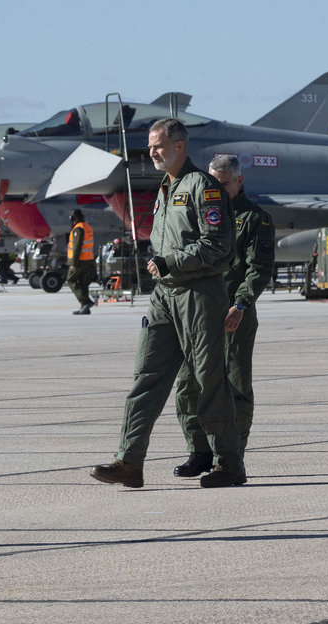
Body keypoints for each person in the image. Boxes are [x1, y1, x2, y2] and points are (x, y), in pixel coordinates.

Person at [90, 118, 246, 490]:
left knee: (208, 381)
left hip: (198, 295)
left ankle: (228, 462)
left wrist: (171, 261)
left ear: (180, 146)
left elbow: (218, 244)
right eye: (150, 145)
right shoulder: (165, 188)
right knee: (146, 377)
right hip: (164, 297)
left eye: (158, 145)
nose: (152, 152)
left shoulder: (202, 187)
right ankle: (129, 462)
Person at [172, 154, 276, 476]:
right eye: (212, 184)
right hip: (200, 313)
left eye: (224, 184)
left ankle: (231, 457)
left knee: (234, 387)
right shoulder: (203, 215)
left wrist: (242, 304)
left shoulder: (255, 219)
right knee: (188, 386)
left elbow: (258, 269)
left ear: (239, 182)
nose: (216, 190)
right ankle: (199, 451)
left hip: (234, 314)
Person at [66, 209, 96, 314]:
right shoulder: (88, 227)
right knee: (83, 284)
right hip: (88, 259)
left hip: (79, 261)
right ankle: (85, 308)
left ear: (73, 218)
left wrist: (73, 263)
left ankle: (85, 301)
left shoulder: (78, 229)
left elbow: (77, 247)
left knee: (70, 280)